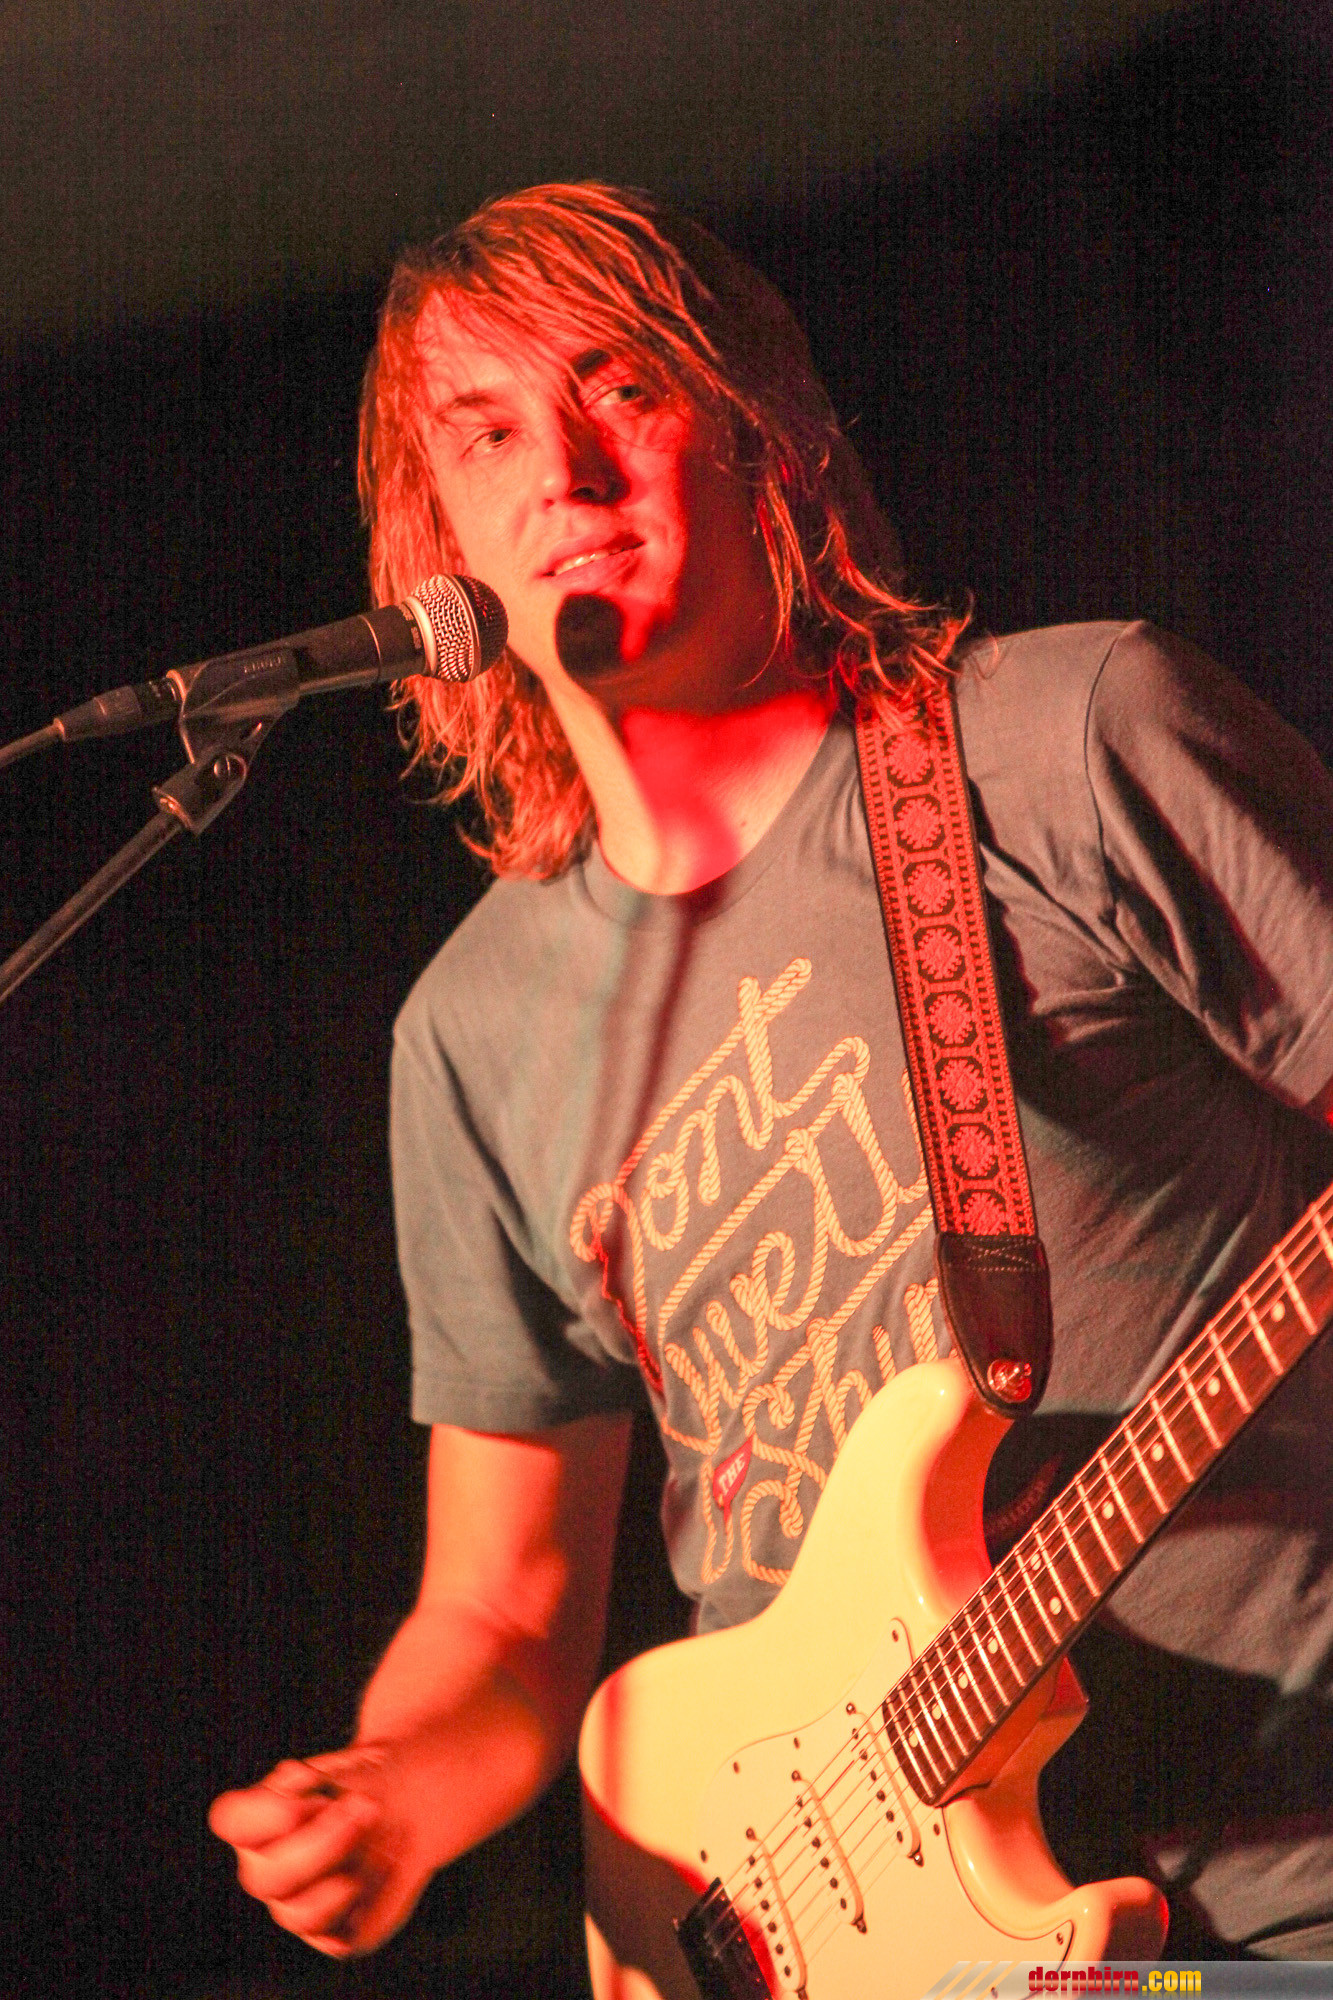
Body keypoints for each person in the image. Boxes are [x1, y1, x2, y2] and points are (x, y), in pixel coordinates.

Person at [209, 182, 1333, 1970]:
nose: (565, 475)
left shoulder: (1068, 740)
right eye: (487, 434)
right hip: (839, 1936)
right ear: (436, 545)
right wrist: (389, 1795)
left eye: (621, 387)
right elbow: (498, 1617)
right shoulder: (471, 1028)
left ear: (761, 431)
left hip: (1283, 1899)